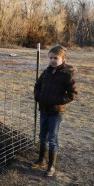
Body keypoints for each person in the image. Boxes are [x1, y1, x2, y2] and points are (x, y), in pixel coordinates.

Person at [32, 45, 78, 177]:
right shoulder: (46, 72)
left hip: (56, 112)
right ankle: (41, 160)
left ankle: (51, 166)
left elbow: (72, 93)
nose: (52, 60)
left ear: (63, 59)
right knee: (42, 136)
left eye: (55, 58)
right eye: (51, 58)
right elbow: (37, 85)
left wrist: (57, 100)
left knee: (52, 138)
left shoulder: (66, 75)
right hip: (44, 110)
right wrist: (38, 96)